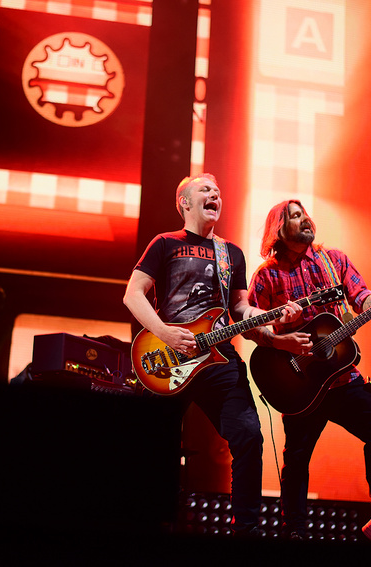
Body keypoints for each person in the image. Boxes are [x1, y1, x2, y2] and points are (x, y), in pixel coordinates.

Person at [123, 173, 301, 535]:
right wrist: (164, 332)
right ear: (185, 202)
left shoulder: (230, 253)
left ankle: (245, 532)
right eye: (205, 190)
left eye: (217, 192)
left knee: (250, 435)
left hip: (219, 357)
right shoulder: (165, 243)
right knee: (151, 443)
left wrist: (272, 318)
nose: (214, 194)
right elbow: (133, 294)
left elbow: (241, 310)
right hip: (168, 356)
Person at [242, 199, 371, 544]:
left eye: (304, 213)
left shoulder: (333, 260)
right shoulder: (267, 274)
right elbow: (250, 328)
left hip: (342, 379)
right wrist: (282, 341)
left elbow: (361, 297)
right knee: (298, 460)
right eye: (294, 215)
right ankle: (295, 533)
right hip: (299, 383)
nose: (304, 218)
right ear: (278, 227)